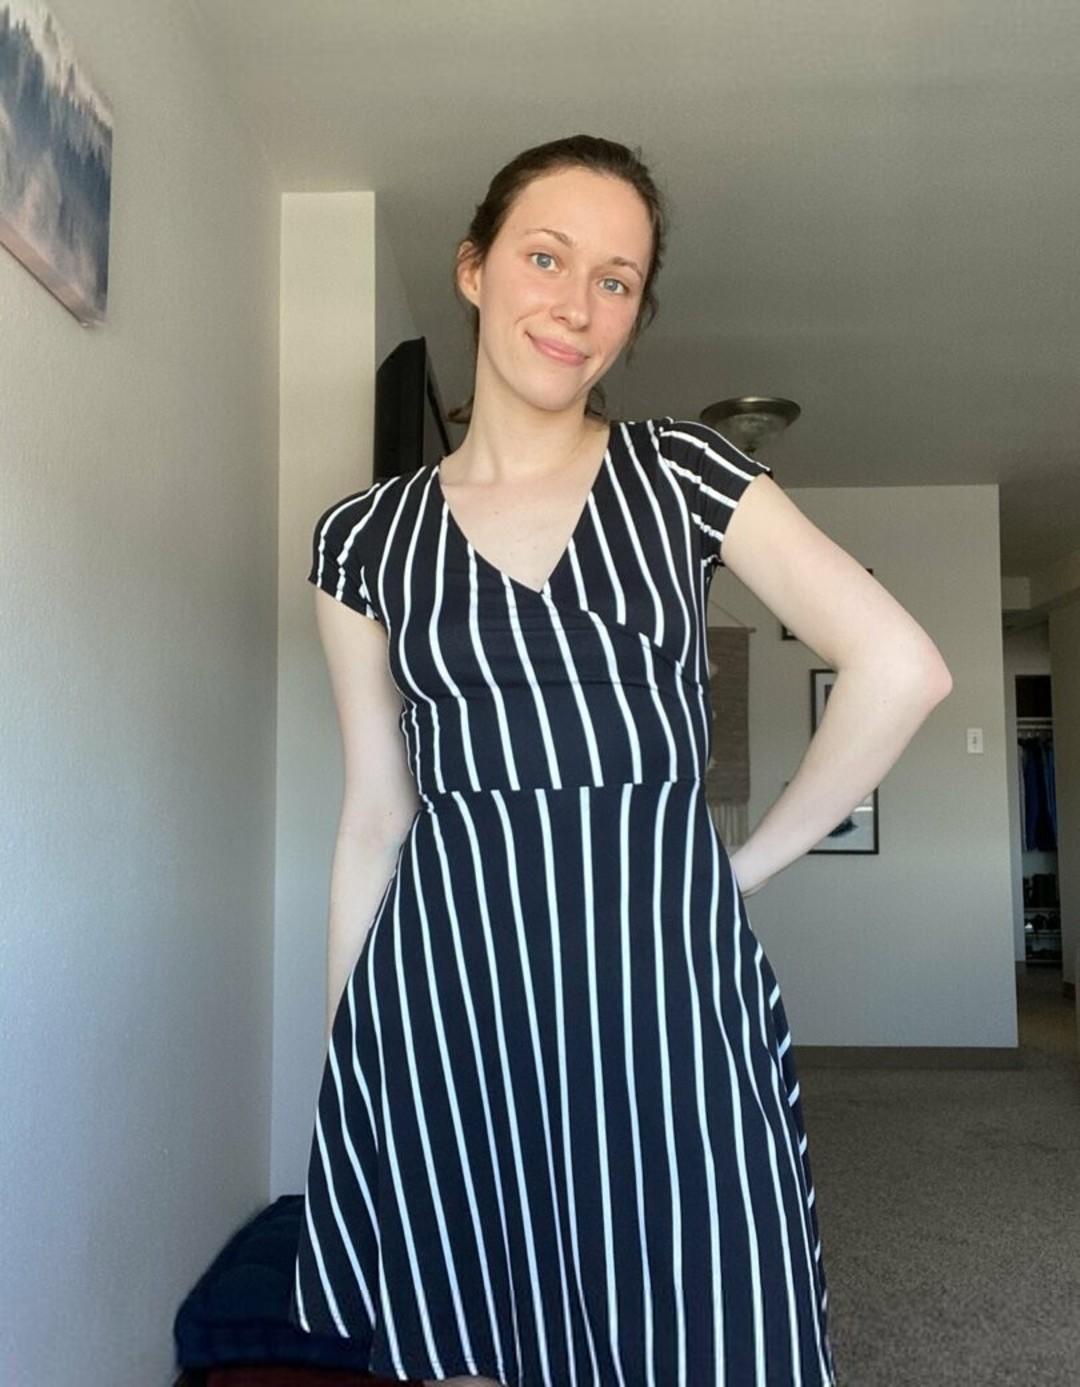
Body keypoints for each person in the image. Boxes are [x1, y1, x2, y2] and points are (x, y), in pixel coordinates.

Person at [288, 134, 953, 1387]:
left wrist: (740, 869)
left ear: (636, 312)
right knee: (475, 1331)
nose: (577, 304)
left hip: (667, 994)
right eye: (546, 258)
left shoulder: (681, 475)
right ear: (475, 268)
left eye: (616, 279)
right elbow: (375, 813)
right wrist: (350, 1053)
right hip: (451, 998)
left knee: (715, 1316)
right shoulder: (364, 541)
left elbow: (901, 666)